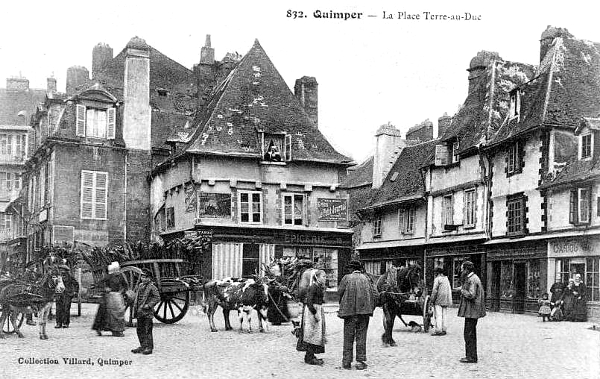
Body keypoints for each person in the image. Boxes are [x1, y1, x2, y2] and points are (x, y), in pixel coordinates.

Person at [338, 260, 378, 370]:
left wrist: (342, 305)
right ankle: (360, 361)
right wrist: (371, 307)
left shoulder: (346, 278)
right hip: (364, 312)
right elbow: (376, 295)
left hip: (349, 312)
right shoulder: (367, 278)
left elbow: (340, 293)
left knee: (348, 336)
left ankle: (346, 362)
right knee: (361, 336)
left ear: (351, 269)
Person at [296, 269, 327, 365]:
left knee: (315, 334)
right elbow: (309, 301)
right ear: (317, 277)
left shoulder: (318, 287)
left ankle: (310, 355)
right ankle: (309, 358)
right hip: (311, 311)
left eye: (325, 276)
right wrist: (315, 313)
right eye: (323, 276)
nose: (325, 278)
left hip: (316, 309)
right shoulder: (313, 287)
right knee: (311, 334)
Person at [457, 261, 486, 363]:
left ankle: (471, 357)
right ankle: (471, 356)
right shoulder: (473, 278)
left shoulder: (472, 279)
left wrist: (462, 291)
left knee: (469, 334)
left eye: (462, 269)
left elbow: (471, 294)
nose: (461, 271)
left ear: (466, 269)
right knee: (470, 333)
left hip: (472, 311)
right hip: (472, 311)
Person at [132, 268, 160, 355]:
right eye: (142, 277)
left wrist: (149, 305)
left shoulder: (152, 287)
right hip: (139, 311)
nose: (143, 279)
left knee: (147, 330)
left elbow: (157, 298)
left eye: (145, 277)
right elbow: (137, 298)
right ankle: (143, 346)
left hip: (147, 312)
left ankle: (149, 347)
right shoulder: (140, 286)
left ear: (149, 278)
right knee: (139, 330)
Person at [93, 266, 127, 336]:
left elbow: (125, 285)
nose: (116, 273)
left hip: (117, 297)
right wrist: (106, 288)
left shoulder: (121, 276)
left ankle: (117, 330)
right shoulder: (109, 276)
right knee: (104, 310)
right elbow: (100, 283)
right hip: (108, 296)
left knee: (118, 313)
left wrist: (121, 291)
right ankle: (99, 328)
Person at [430, 267, 452, 335]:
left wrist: (432, 299)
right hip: (445, 299)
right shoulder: (446, 279)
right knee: (444, 315)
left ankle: (438, 330)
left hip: (438, 299)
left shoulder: (437, 279)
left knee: (438, 315)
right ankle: (444, 329)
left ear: (437, 273)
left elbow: (435, 290)